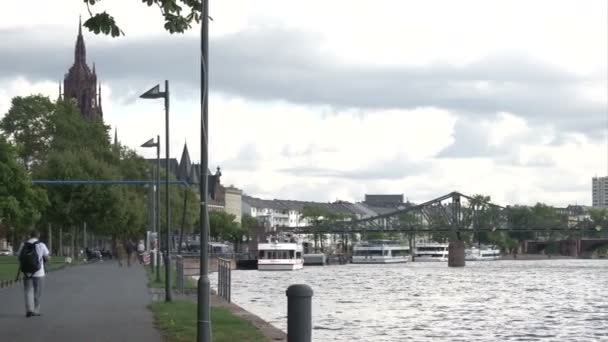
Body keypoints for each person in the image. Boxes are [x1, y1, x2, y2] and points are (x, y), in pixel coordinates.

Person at [17, 230, 50, 318]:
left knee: (28, 291)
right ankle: (36, 310)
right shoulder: (41, 245)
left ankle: (29, 310)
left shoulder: (23, 245)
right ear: (38, 236)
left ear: (30, 236)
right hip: (39, 272)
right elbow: (47, 258)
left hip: (27, 272)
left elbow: (19, 257)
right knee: (37, 292)